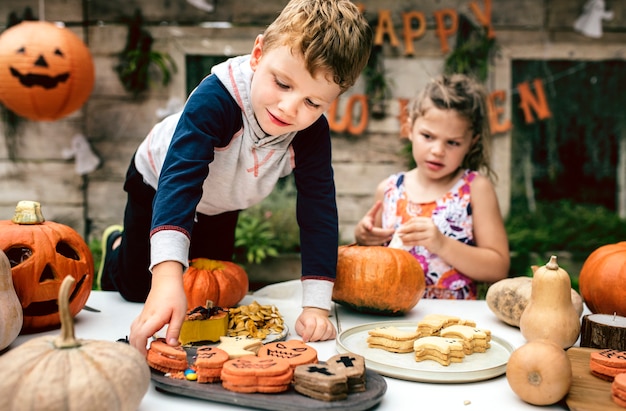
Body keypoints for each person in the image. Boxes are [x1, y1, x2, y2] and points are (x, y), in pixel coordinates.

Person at [97, 0, 373, 356]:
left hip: (225, 198)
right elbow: (181, 181)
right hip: (159, 182)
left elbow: (318, 209)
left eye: (313, 103)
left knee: (212, 295)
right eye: (283, 84)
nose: (290, 109)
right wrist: (166, 277)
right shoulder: (216, 99)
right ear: (258, 54)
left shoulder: (311, 133)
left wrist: (317, 305)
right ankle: (118, 246)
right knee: (140, 286)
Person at [354, 74, 509, 299]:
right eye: (428, 136)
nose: (438, 150)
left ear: (471, 143)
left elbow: (498, 269)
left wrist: (442, 244)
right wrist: (363, 240)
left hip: (455, 323)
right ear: (409, 128)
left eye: (453, 142)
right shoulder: (389, 190)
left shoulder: (475, 189)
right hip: (394, 316)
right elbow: (375, 264)